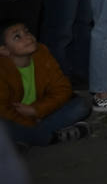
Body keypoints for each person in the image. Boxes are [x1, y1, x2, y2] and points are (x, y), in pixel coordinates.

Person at [1, 19, 91, 147]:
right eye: (17, 36)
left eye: (26, 32)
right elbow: (3, 109)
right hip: (16, 119)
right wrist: (29, 121)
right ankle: (49, 137)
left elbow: (63, 89)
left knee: (80, 106)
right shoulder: (2, 69)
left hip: (39, 114)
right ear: (4, 50)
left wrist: (36, 110)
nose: (27, 37)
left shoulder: (41, 52)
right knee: (4, 126)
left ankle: (26, 139)